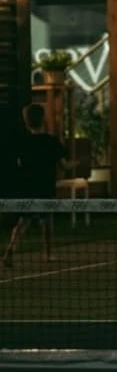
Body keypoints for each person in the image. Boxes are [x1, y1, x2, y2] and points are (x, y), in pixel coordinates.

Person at [2, 104, 65, 267]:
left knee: (23, 221)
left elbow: (18, 163)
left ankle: (10, 251)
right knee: (48, 220)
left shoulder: (22, 142)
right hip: (45, 187)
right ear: (43, 119)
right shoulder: (51, 142)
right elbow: (63, 165)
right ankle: (49, 254)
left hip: (28, 187)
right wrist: (77, 164)